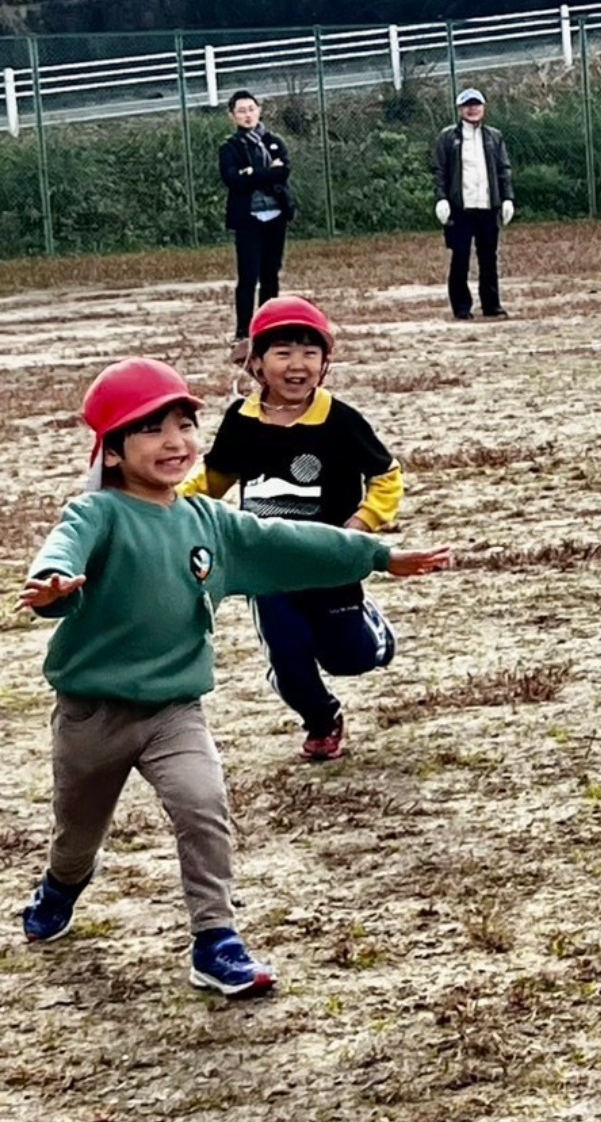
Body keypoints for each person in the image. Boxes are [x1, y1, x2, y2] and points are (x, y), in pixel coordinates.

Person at [15, 359, 449, 996]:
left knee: (204, 806)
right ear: (110, 452)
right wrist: (51, 589)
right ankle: (60, 886)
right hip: (91, 715)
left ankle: (216, 940)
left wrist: (378, 555)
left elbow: (288, 542)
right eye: (151, 430)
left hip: (174, 712)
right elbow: (61, 554)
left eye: (184, 424)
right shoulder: (96, 514)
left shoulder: (207, 522)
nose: (175, 442)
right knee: (78, 835)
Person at [179, 296, 406, 762]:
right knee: (288, 652)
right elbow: (216, 479)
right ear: (257, 363)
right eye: (282, 352)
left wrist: (360, 524)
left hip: (328, 560)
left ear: (325, 364)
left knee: (351, 657)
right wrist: (170, 506)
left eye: (309, 353)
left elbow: (386, 475)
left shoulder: (340, 421)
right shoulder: (241, 421)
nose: (296, 364)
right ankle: (320, 719)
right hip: (266, 566)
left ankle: (375, 632)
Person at [218, 91, 294, 359]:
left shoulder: (274, 142)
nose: (247, 114)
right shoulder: (230, 147)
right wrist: (264, 174)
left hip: (276, 217)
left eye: (251, 109)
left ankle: (268, 326)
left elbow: (283, 171)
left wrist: (253, 173)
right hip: (248, 220)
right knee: (248, 277)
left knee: (271, 274)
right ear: (232, 116)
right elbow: (234, 180)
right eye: (241, 110)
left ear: (259, 110)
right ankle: (242, 331)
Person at [432, 87, 516, 320]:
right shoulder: (448, 137)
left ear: (483, 107)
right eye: (467, 105)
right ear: (460, 109)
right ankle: (461, 307)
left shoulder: (494, 137)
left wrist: (507, 198)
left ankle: (492, 305)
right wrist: (441, 199)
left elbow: (503, 170)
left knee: (489, 257)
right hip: (460, 209)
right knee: (460, 257)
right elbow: (439, 171)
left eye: (476, 104)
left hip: (488, 207)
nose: (472, 109)